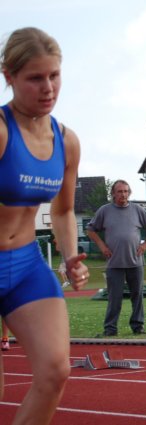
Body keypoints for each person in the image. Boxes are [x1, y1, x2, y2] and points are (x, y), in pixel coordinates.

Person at [0, 27, 89, 423]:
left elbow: (64, 210)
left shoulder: (66, 141)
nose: (48, 87)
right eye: (35, 78)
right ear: (9, 77)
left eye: (54, 75)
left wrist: (70, 257)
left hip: (25, 265)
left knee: (55, 371)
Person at [86, 180, 146, 337]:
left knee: (137, 295)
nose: (123, 194)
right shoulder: (105, 211)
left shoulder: (137, 210)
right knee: (114, 297)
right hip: (114, 263)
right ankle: (110, 328)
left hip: (135, 261)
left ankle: (138, 326)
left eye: (126, 191)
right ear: (113, 193)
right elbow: (91, 230)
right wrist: (102, 246)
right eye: (119, 191)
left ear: (129, 193)